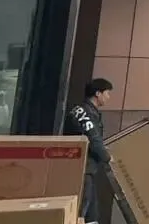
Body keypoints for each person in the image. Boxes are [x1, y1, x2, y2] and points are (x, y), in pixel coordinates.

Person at [64, 78, 114, 224]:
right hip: (83, 167)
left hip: (84, 167)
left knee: (91, 213)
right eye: (107, 93)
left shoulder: (81, 110)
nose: (108, 97)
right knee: (81, 210)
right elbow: (93, 138)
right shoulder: (86, 113)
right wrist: (107, 157)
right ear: (98, 93)